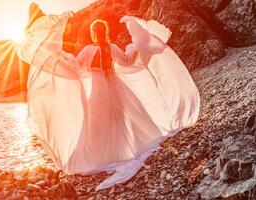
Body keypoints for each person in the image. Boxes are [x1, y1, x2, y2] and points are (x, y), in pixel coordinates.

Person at [16, 3, 200, 190]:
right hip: (114, 86)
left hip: (97, 90)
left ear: (94, 34)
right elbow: (127, 61)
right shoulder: (111, 48)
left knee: (98, 125)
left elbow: (77, 67)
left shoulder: (89, 50)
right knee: (123, 119)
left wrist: (59, 59)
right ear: (106, 32)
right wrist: (136, 47)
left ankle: (104, 156)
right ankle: (126, 149)